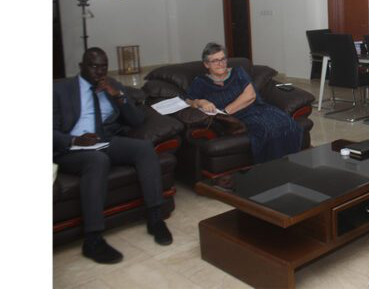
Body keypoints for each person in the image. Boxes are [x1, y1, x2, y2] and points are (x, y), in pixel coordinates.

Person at [53, 47, 172, 264]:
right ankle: (93, 240)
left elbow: (136, 120)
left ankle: (155, 219)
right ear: (81, 66)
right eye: (93, 66)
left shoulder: (112, 85)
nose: (99, 72)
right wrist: (75, 140)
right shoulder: (61, 89)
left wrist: (118, 96)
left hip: (105, 140)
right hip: (73, 148)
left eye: (103, 67)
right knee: (98, 160)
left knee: (144, 149)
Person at [185, 42, 302, 163]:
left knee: (288, 124)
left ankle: (291, 163)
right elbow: (188, 101)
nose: (220, 63)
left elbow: (250, 95)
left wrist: (226, 111)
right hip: (237, 119)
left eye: (223, 59)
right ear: (206, 64)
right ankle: (272, 167)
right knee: (265, 130)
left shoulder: (238, 72)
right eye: (215, 61)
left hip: (257, 109)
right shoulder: (200, 82)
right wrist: (201, 102)